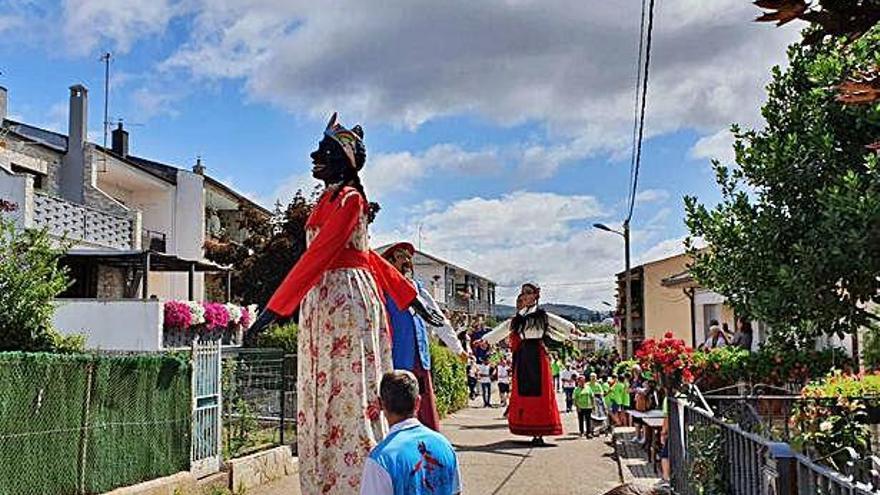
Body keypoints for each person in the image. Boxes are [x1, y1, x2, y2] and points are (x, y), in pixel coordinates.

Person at [248, 114, 423, 495]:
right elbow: (365, 256)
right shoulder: (327, 200)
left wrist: (277, 306)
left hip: (344, 300)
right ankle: (323, 477)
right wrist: (407, 295)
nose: (314, 156)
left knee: (350, 388)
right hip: (321, 299)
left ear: (344, 160)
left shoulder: (350, 199)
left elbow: (330, 254)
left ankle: (357, 480)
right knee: (320, 386)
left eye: (324, 151)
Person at [475, 283, 575, 446]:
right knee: (524, 392)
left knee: (540, 393)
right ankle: (528, 428)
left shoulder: (543, 316)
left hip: (538, 355)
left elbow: (562, 324)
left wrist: (571, 330)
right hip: (522, 356)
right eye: (523, 293)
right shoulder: (517, 319)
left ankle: (541, 430)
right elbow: (502, 329)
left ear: (536, 295)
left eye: (529, 293)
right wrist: (485, 340)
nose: (525, 296)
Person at [381, 242, 466, 431]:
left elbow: (439, 320)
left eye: (408, 257)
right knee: (398, 403)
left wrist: (457, 348)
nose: (406, 260)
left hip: (419, 357)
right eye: (401, 256)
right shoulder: (383, 289)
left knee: (423, 402)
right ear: (390, 261)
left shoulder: (418, 288)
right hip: (398, 355)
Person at [361, 371, 462, 495]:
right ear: (418, 402)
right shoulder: (444, 445)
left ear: (381, 404)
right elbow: (456, 491)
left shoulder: (380, 459)